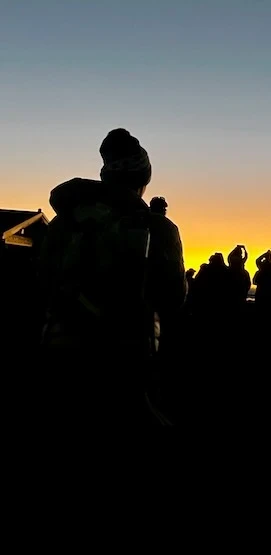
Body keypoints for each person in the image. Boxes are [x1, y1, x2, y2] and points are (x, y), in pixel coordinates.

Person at [37, 128, 186, 426]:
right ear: (143, 179)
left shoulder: (62, 222)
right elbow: (173, 298)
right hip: (124, 360)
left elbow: (40, 280)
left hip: (57, 353)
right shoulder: (159, 229)